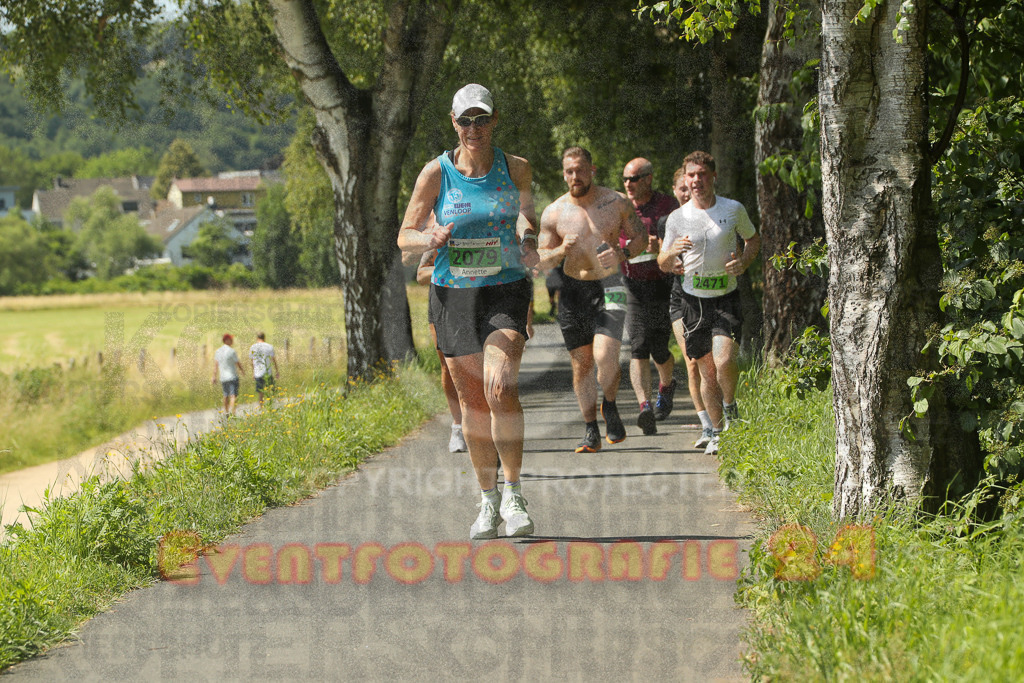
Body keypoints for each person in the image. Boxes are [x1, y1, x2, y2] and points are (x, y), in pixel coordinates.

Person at [397, 83, 539, 539]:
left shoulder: (515, 168)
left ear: (495, 120)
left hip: (505, 289)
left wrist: (529, 237)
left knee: (501, 386)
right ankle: (488, 501)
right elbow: (404, 236)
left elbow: (526, 214)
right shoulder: (435, 174)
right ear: (454, 123)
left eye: (482, 119)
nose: (473, 128)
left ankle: (514, 494)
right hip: (453, 297)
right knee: (474, 404)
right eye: (465, 120)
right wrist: (429, 237)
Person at [537, 147, 648, 453]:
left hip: (609, 285)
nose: (576, 176)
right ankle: (591, 429)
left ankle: (609, 403)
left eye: (581, 170)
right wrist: (560, 251)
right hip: (573, 290)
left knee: (605, 356)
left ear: (592, 170)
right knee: (582, 364)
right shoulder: (554, 212)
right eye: (570, 171)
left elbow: (641, 238)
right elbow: (541, 260)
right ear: (564, 174)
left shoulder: (615, 201)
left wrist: (622, 253)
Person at [658, 151, 760, 455]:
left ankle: (730, 406)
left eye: (702, 174)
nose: (696, 180)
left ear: (713, 176)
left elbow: (753, 239)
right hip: (693, 302)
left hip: (726, 298)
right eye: (691, 175)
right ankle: (716, 431)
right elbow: (662, 261)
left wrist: (743, 262)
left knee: (724, 360)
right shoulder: (678, 218)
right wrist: (671, 254)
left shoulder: (733, 209)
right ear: (685, 178)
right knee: (706, 371)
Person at [619, 157, 679, 436]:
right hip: (632, 284)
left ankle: (666, 386)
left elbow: (682, 240)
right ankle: (644, 406)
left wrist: (661, 248)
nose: (628, 184)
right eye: (625, 179)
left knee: (659, 348)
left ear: (648, 179)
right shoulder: (621, 206)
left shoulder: (668, 205)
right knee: (638, 346)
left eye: (633, 179)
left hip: (663, 284)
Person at [659, 166, 712, 449]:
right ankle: (707, 426)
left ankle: (722, 419)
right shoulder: (669, 222)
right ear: (676, 190)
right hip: (680, 300)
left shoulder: (711, 217)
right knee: (692, 362)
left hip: (712, 297)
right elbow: (661, 261)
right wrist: (671, 258)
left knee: (712, 364)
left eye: (689, 187)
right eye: (681, 188)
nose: (687, 192)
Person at [415, 248, 468, 453]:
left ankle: (484, 422)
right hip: (443, 303)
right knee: (448, 365)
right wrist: (450, 269)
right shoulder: (440, 237)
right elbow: (421, 275)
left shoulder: (485, 231)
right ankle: (458, 426)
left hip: (480, 301)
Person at [212, 333, 244, 415]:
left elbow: (216, 365)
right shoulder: (232, 351)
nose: (232, 341)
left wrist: (214, 376)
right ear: (226, 340)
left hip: (223, 377)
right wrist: (242, 370)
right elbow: (237, 363)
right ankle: (232, 413)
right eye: (231, 339)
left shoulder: (218, 351)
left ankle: (226, 412)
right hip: (232, 376)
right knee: (233, 395)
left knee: (225, 395)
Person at [249, 331, 279, 407]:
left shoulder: (253, 347)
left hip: (258, 373)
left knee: (260, 393)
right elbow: (273, 360)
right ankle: (271, 407)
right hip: (267, 372)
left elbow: (252, 362)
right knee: (270, 392)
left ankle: (261, 408)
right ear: (264, 338)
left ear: (257, 338)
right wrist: (277, 371)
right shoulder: (269, 347)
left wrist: (253, 373)